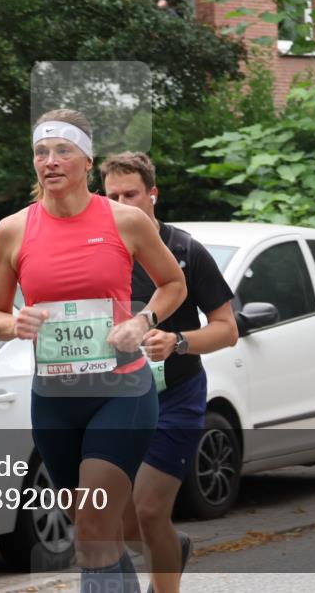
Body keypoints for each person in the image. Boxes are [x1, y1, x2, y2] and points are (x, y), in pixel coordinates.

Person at [0, 109, 187, 593]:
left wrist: (141, 321)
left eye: (63, 151)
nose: (50, 161)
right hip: (54, 397)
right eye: (41, 152)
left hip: (121, 390)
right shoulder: (12, 230)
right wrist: (16, 324)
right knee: (96, 531)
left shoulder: (125, 221)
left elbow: (173, 284)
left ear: (88, 161)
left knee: (95, 524)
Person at [102, 152, 238, 593]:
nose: (121, 204)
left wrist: (178, 342)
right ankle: (171, 549)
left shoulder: (184, 251)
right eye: (112, 196)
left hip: (175, 395)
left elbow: (227, 329)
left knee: (148, 509)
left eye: (130, 194)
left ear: (153, 195)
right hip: (119, 398)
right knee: (124, 521)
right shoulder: (98, 254)